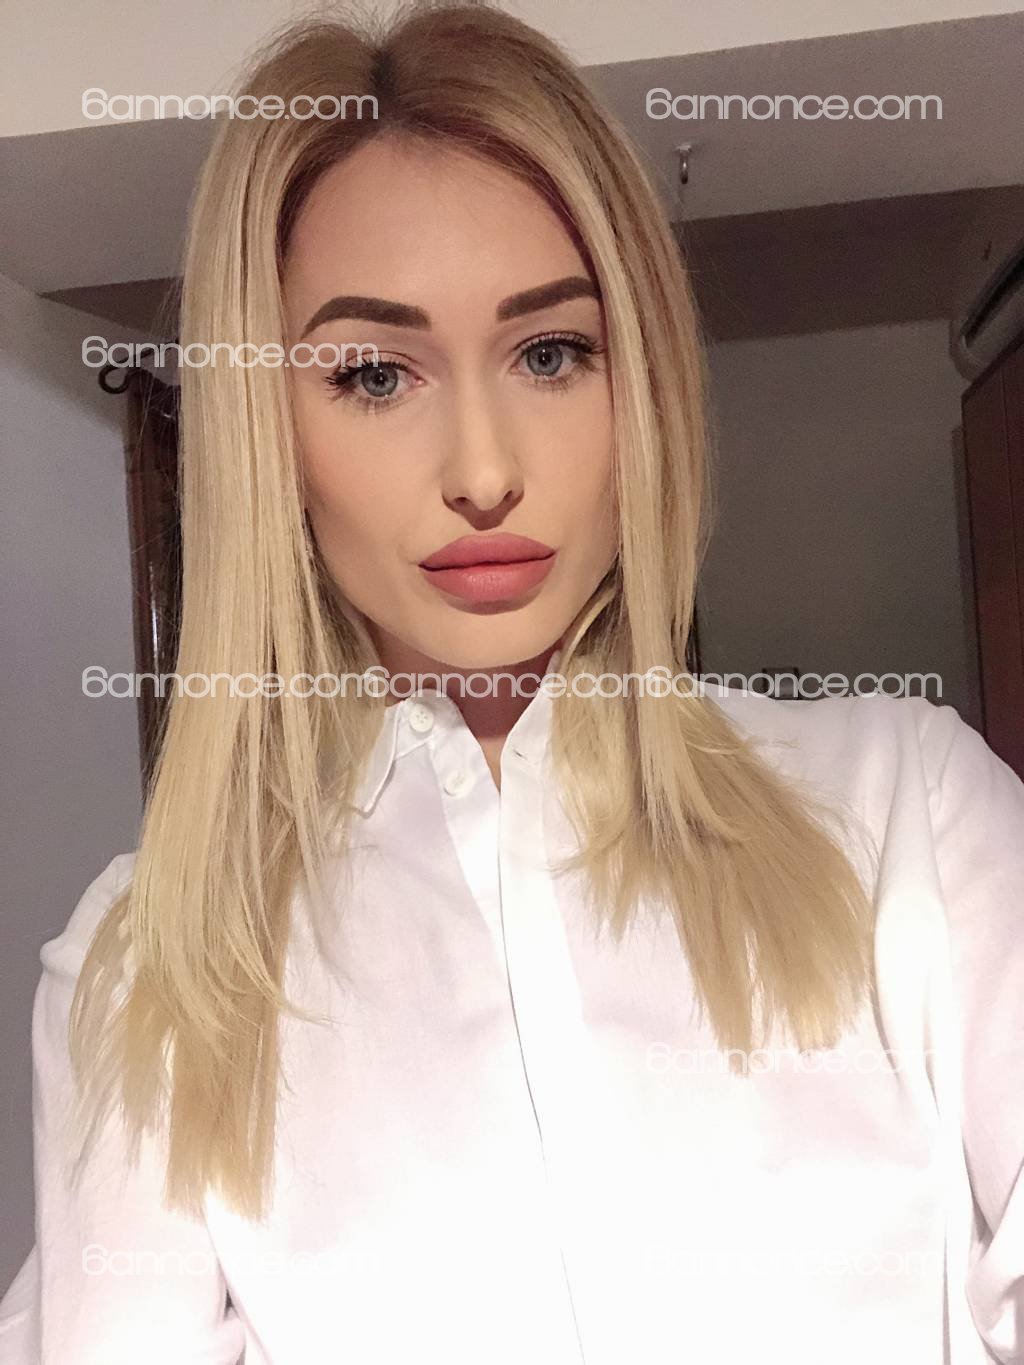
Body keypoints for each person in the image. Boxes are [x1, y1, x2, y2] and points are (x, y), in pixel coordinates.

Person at [2, 3, 1023, 1362]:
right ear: (269, 433)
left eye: (551, 353)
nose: (483, 471)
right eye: (375, 374)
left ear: (638, 380)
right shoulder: (155, 971)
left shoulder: (908, 814)